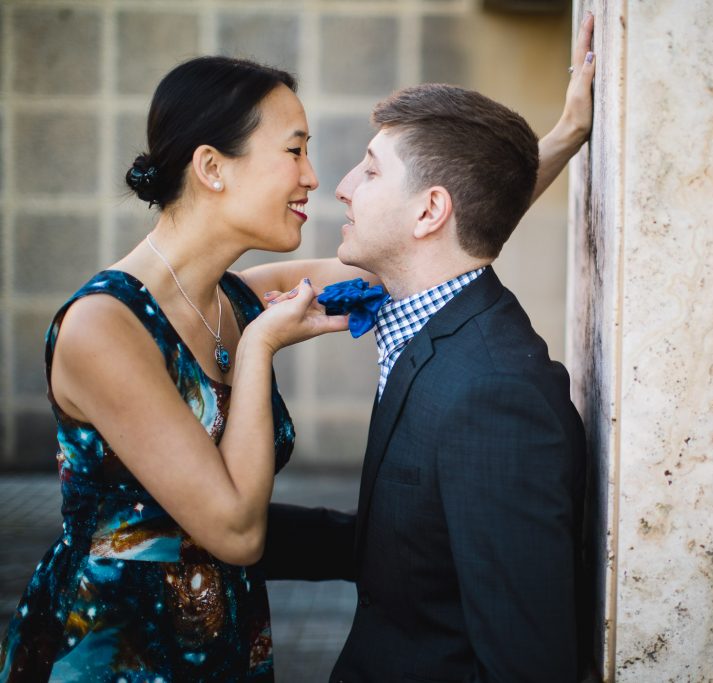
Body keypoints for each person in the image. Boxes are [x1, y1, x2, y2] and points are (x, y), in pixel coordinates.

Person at [0, 18, 594, 682]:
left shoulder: (238, 298)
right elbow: (235, 530)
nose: (316, 176)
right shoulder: (104, 328)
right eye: (295, 150)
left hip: (226, 642)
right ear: (211, 168)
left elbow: (438, 236)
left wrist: (567, 136)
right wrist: (256, 352)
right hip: (125, 649)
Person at [260, 16, 597, 683]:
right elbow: (412, 542)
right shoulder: (422, 315)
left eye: (370, 170)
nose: (343, 186)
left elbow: (527, 668)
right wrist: (213, 534)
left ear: (427, 213)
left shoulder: (496, 394)